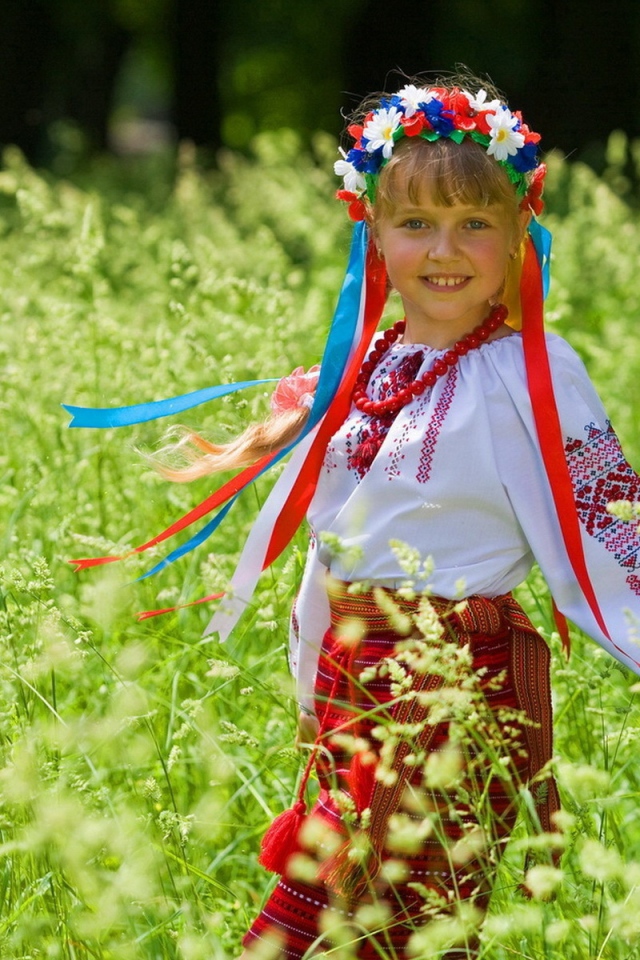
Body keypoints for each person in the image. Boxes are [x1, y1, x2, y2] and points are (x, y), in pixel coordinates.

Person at [65, 72, 640, 959]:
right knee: (338, 929)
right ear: (374, 234)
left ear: (519, 231)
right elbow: (333, 548)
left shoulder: (534, 372)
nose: (444, 250)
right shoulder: (370, 364)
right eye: (415, 224)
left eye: (474, 224)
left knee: (384, 933)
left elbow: (613, 526)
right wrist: (310, 696)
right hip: (351, 695)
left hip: (452, 695)